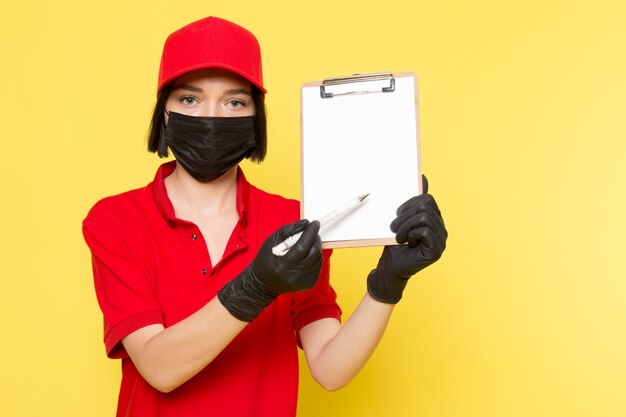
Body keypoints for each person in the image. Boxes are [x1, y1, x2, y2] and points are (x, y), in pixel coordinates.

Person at [82, 16, 447, 417]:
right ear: (164, 113)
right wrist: (256, 286)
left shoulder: (295, 223)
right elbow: (159, 368)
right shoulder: (115, 220)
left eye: (234, 101)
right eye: (190, 99)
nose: (213, 116)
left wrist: (387, 283)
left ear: (255, 117)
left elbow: (329, 369)